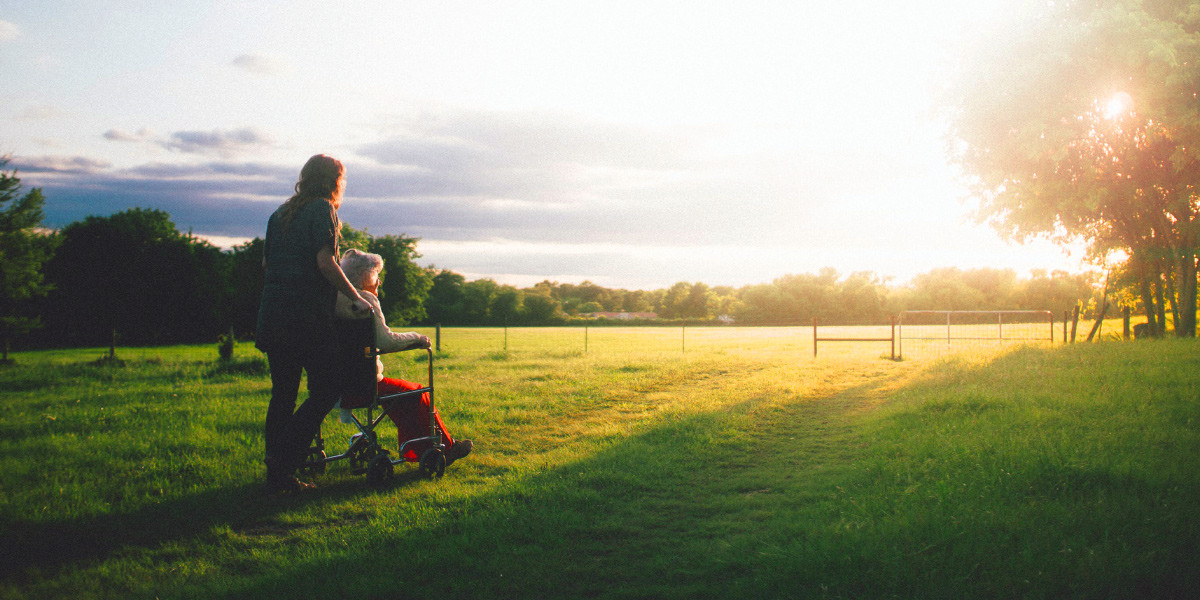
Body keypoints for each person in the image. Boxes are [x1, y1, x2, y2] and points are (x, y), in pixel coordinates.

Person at [255, 154, 371, 493]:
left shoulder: (279, 214)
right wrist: (355, 297)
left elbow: (267, 264)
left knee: (283, 395)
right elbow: (326, 262)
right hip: (304, 319)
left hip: (273, 315)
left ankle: (277, 473)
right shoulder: (323, 210)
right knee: (327, 389)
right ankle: (285, 459)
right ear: (334, 181)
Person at [334, 249, 473, 465]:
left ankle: (418, 449)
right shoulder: (365, 300)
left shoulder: (334, 299)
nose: (379, 281)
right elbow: (386, 341)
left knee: (401, 395)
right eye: (376, 275)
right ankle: (445, 446)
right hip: (364, 384)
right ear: (365, 276)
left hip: (335, 384)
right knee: (416, 392)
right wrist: (417, 338)